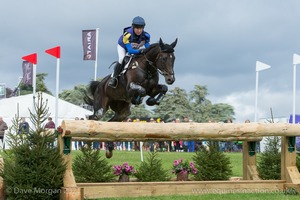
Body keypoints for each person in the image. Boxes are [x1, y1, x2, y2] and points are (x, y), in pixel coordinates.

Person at [108, 16, 151, 88]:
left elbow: (148, 48)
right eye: (137, 28)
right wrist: (141, 51)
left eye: (141, 28)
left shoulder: (146, 36)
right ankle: (114, 78)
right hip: (123, 47)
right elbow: (130, 51)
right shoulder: (127, 35)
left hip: (135, 48)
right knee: (122, 59)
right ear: (133, 27)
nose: (139, 31)